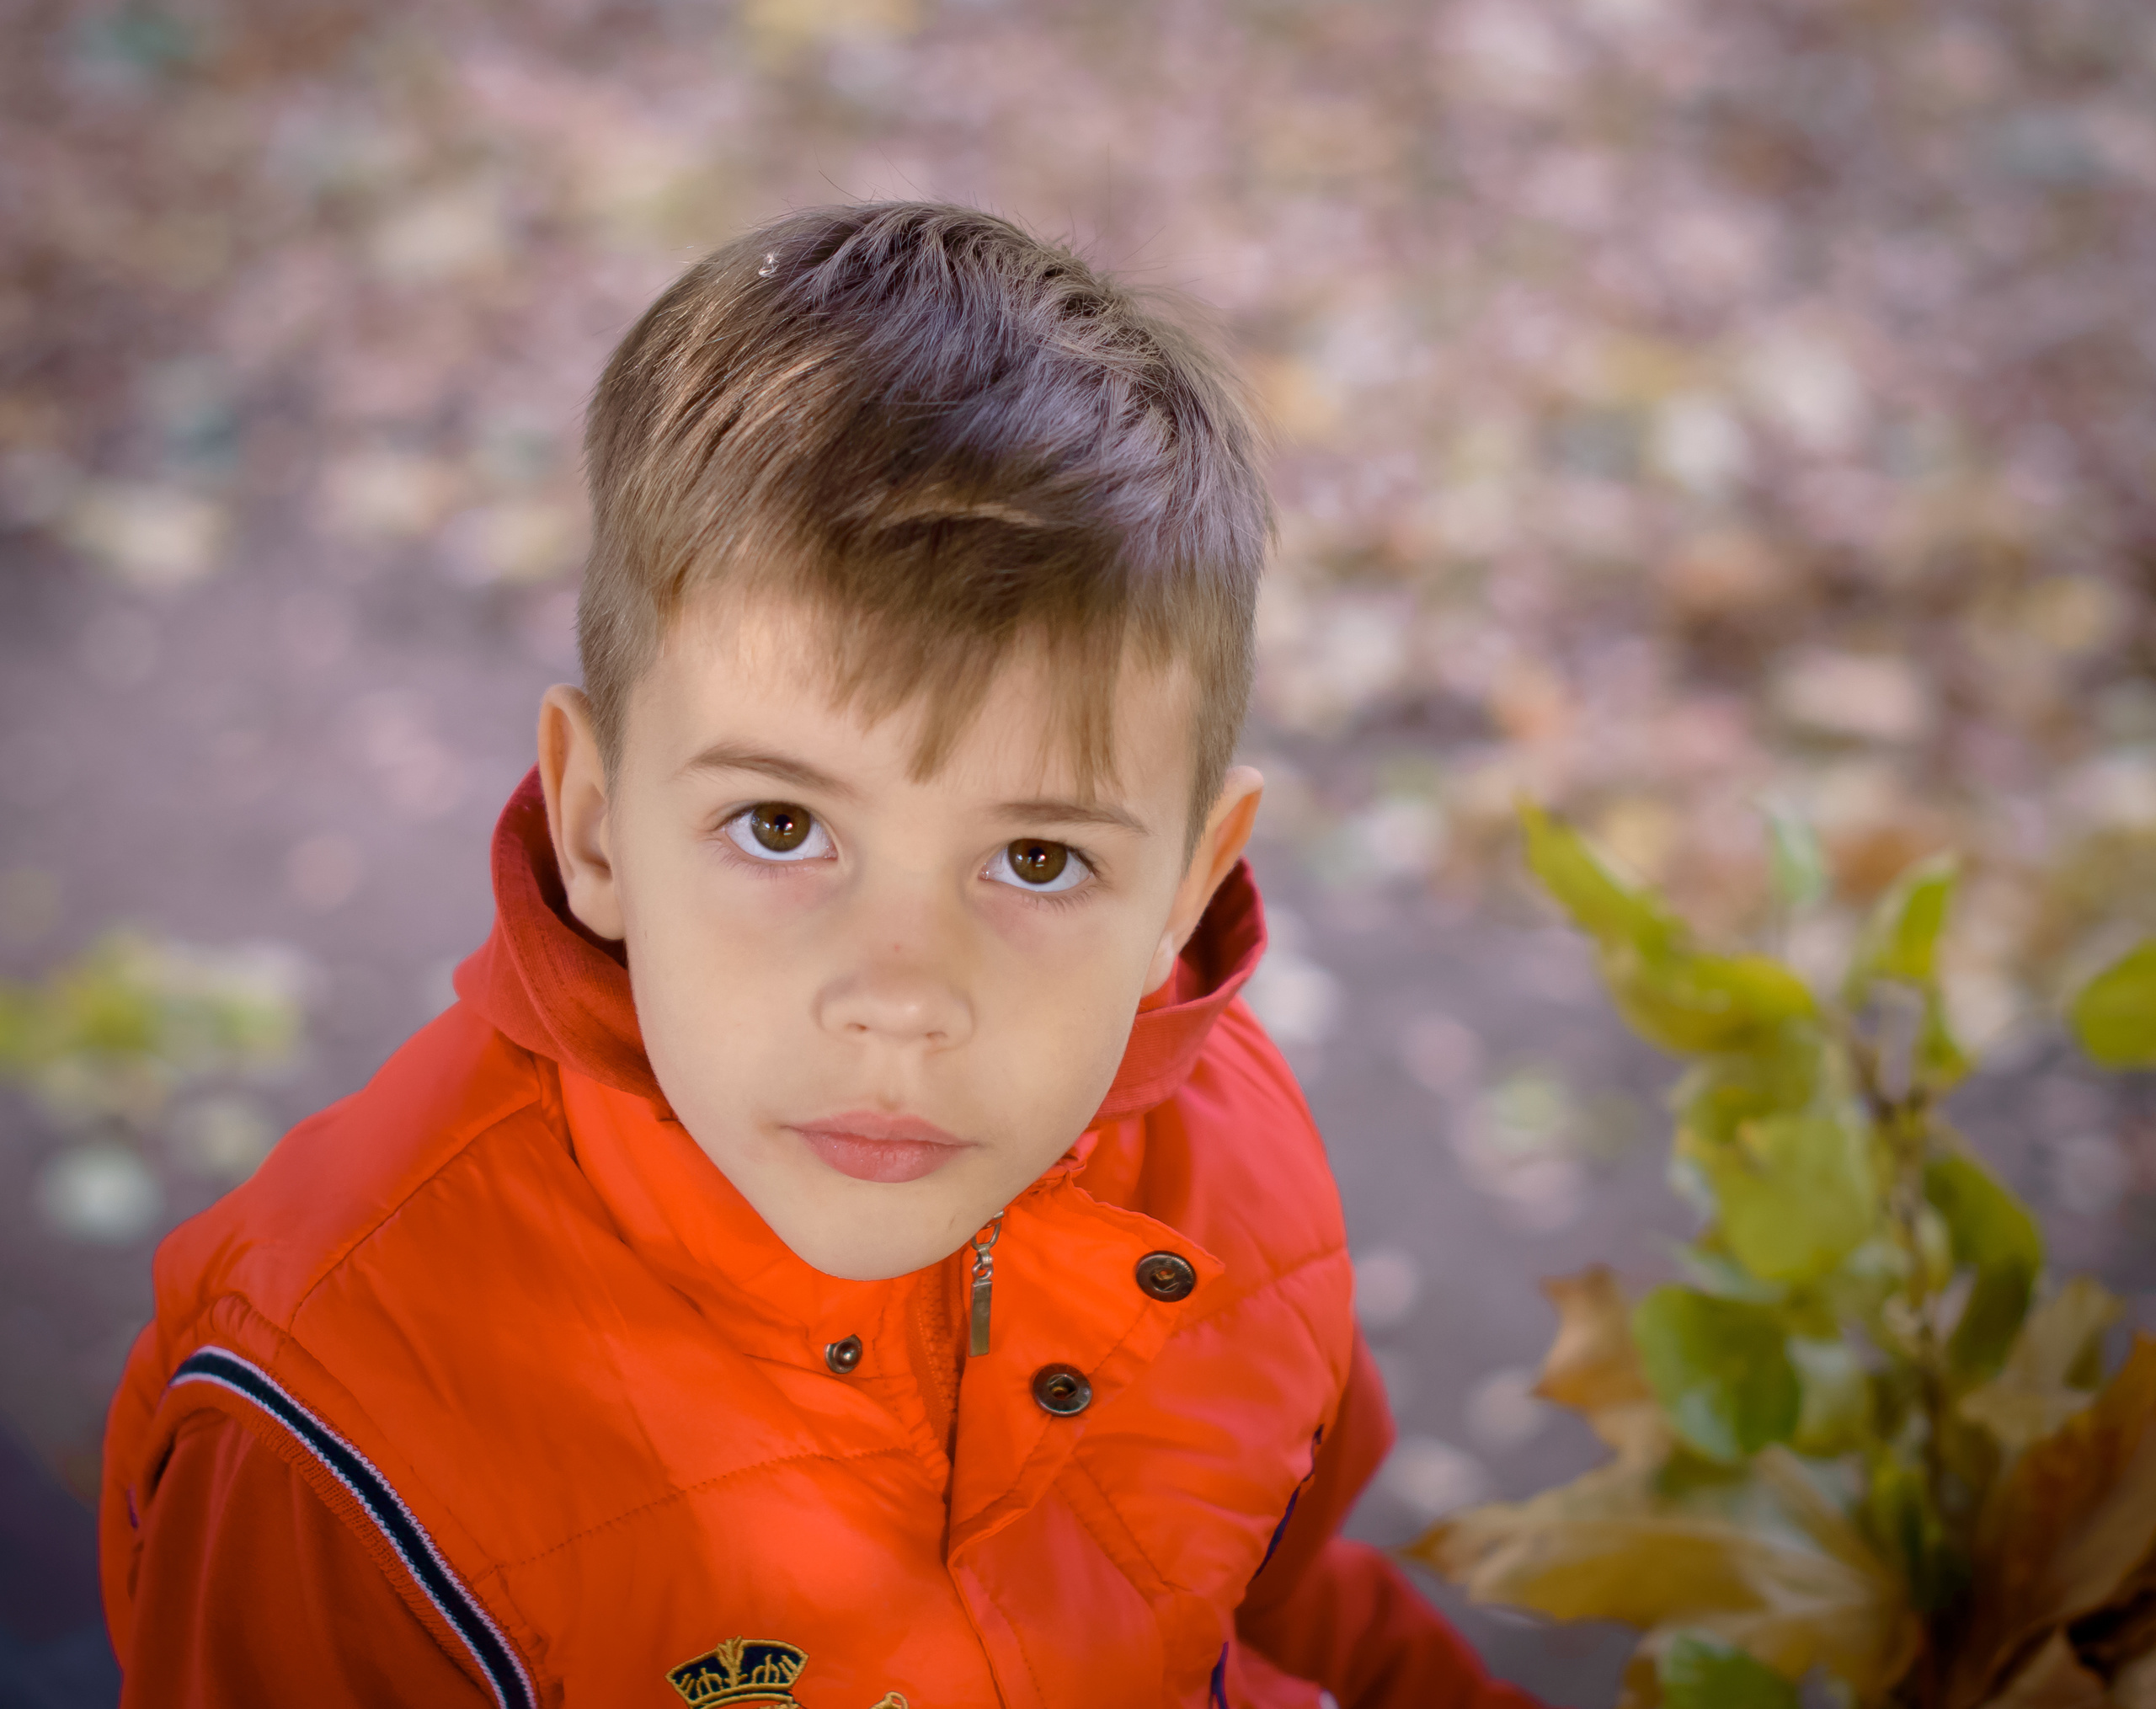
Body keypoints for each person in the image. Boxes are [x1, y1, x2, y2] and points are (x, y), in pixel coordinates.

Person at [99, 203, 1540, 1709]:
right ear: (596, 827)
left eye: (1037, 859)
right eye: (781, 827)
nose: (898, 999)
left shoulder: (1235, 1172)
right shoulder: (340, 1423)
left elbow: (1272, 1598)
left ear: (1188, 887)